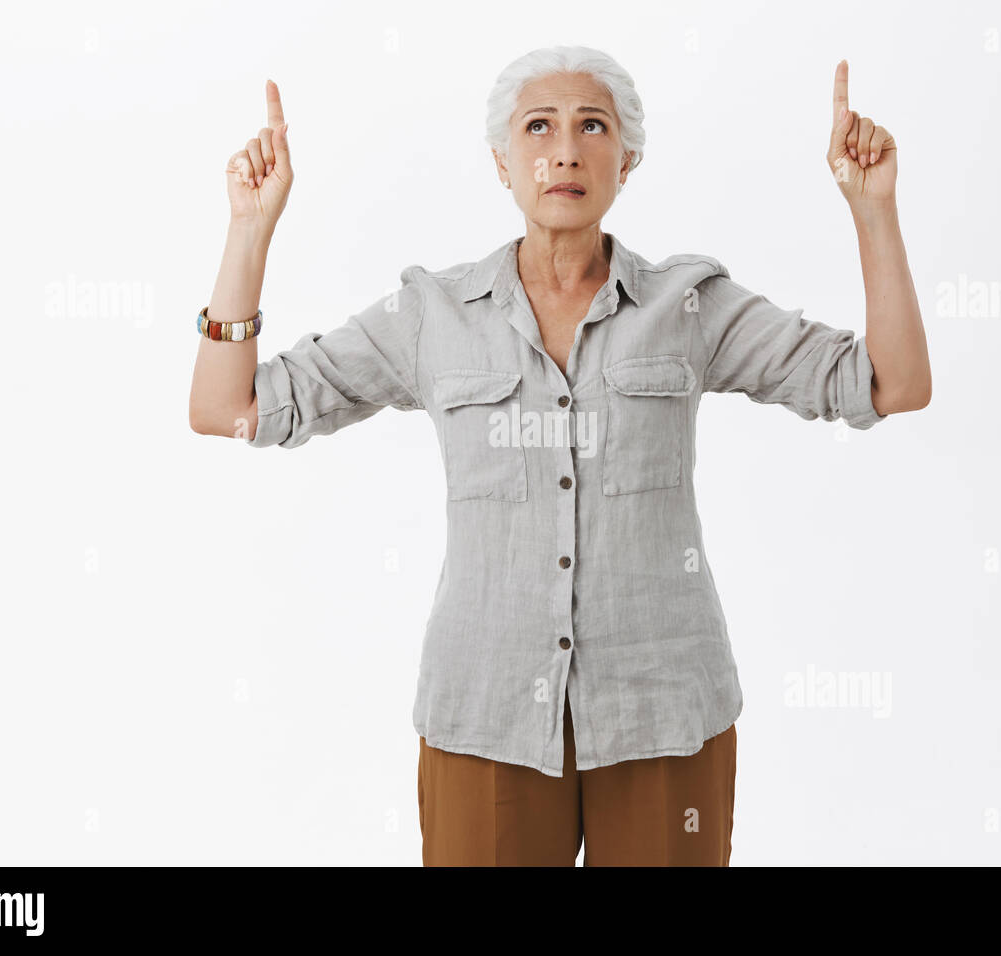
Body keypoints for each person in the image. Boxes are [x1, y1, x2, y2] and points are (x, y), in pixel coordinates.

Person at [189, 46, 931, 866]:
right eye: (538, 127)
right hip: (486, 717)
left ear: (629, 158)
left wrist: (874, 212)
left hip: (664, 715)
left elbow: (890, 384)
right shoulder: (431, 315)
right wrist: (249, 232)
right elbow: (230, 409)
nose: (565, 148)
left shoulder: (689, 305)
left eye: (593, 126)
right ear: (503, 163)